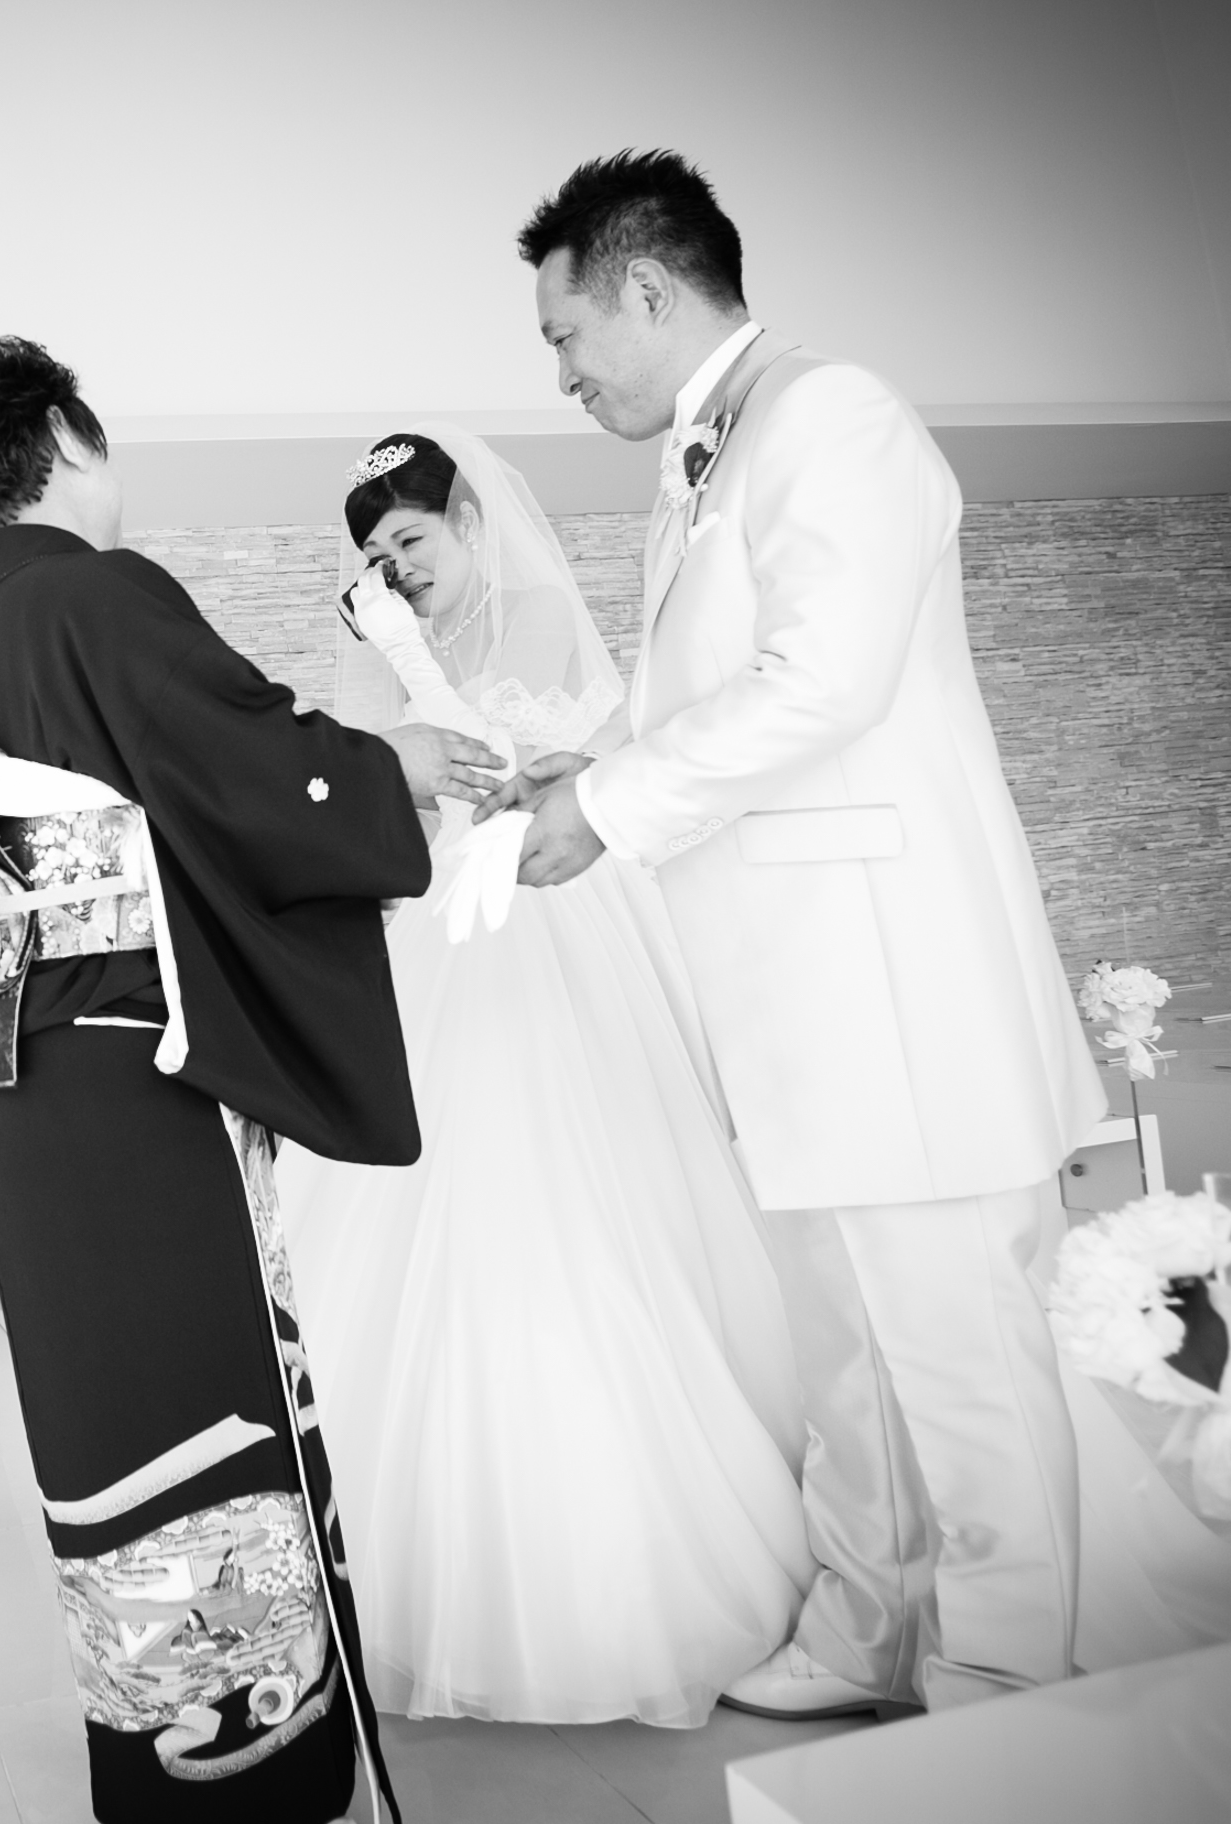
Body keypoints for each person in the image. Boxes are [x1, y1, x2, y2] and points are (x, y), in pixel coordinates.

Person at [502, 151, 1105, 1717]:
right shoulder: (708, 455)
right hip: (792, 1016)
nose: (561, 373)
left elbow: (825, 680)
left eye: (565, 335)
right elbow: (696, 690)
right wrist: (586, 765)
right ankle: (864, 1631)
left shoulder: (836, 414)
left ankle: (1006, 1684)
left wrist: (612, 806)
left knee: (962, 1369)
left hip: (894, 995)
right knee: (845, 1359)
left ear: (647, 288)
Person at [0, 335, 505, 1824]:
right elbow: (244, 772)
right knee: (206, 1401)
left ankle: (169, 1749)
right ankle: (257, 1769)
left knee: (118, 1424)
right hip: (129, 1086)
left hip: (29, 1086)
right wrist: (392, 768)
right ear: (64, 437)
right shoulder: (92, 593)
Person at [274, 430, 813, 1727]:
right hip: (445, 937)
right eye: (376, 558)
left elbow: (505, 769)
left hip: (557, 927)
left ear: (470, 520)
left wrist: (407, 667)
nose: (397, 572)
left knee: (579, 1192)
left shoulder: (545, 630)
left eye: (411, 540)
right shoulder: (398, 648)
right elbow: (403, 806)